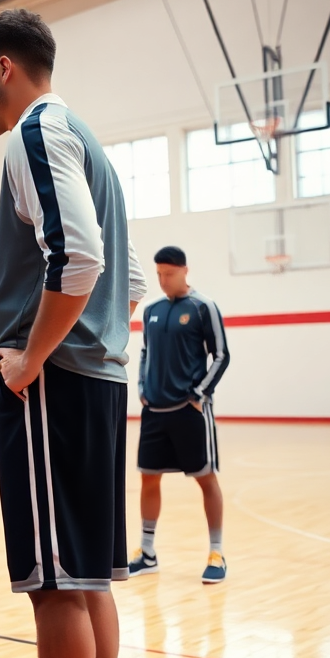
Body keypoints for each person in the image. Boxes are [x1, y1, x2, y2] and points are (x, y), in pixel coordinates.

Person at [0, 10, 147, 658]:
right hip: (97, 380)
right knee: (88, 575)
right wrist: (91, 340)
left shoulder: (35, 133)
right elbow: (127, 281)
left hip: (55, 385)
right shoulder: (87, 141)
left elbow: (82, 257)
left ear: (5, 67)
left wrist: (30, 357)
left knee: (56, 584)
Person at [130, 246, 230, 583]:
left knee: (206, 478)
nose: (163, 280)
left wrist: (199, 394)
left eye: (169, 274)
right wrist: (142, 387)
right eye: (159, 274)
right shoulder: (152, 310)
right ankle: (147, 553)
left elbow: (221, 355)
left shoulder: (203, 307)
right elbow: (145, 352)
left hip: (190, 412)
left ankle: (216, 552)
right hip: (155, 411)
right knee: (148, 478)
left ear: (185, 271)